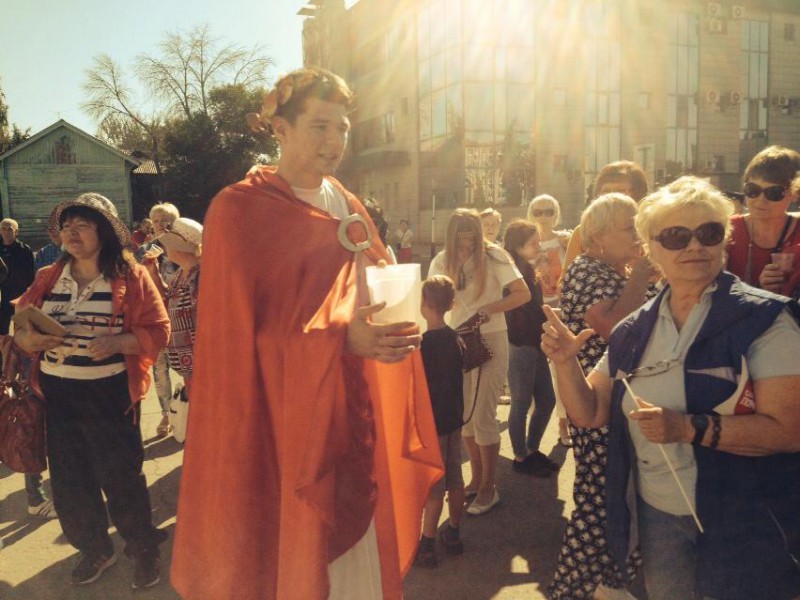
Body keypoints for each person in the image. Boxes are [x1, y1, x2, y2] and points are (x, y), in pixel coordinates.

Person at [171, 67, 441, 600]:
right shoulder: (238, 210)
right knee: (298, 551)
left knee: (357, 551)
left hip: (351, 405)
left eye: (342, 128)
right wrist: (340, 340)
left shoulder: (346, 203)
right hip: (283, 422)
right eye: (319, 126)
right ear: (280, 128)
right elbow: (238, 341)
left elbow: (372, 283)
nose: (334, 141)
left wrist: (400, 316)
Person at [542, 176, 800, 600]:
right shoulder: (633, 330)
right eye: (677, 236)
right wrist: (565, 362)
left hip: (746, 517)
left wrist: (686, 428)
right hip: (657, 515)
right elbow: (589, 413)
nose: (694, 246)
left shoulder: (765, 320)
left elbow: (789, 431)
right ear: (651, 248)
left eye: (708, 233)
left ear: (724, 239)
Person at [13, 192, 170, 589]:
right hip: (57, 394)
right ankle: (96, 548)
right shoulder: (49, 276)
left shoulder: (131, 276)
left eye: (82, 225)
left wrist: (119, 343)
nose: (72, 233)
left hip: (109, 394)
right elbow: (21, 327)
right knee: (70, 479)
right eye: (67, 227)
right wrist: (30, 341)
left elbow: (159, 330)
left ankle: (143, 548)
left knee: (121, 478)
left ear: (104, 232)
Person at [548, 193, 658, 600]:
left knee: (626, 500)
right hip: (598, 402)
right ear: (597, 238)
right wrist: (641, 276)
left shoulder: (616, 270)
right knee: (598, 504)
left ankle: (611, 584)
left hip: (626, 403)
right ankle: (573, 590)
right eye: (630, 228)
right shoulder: (585, 270)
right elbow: (613, 329)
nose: (638, 236)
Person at [429, 208, 529, 515]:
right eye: (461, 240)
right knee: (466, 418)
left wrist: (490, 309)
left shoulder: (495, 256)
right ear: (451, 237)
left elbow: (522, 294)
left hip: (491, 339)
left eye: (471, 238)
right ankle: (475, 479)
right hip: (457, 340)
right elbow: (431, 301)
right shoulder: (441, 260)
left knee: (484, 416)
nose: (466, 245)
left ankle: (489, 487)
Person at [415, 274, 466, 568]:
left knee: (435, 483)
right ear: (451, 304)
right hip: (454, 418)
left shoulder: (423, 346)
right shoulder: (455, 338)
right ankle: (454, 533)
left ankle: (427, 543)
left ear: (423, 303)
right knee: (455, 476)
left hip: (433, 422)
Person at [502, 219, 558, 477]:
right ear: (518, 246)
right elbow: (518, 313)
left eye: (538, 242)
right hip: (521, 344)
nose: (538, 247)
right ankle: (521, 456)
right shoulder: (512, 273)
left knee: (546, 400)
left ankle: (531, 449)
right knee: (521, 403)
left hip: (535, 343)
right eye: (533, 243)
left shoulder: (527, 268)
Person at [727, 145, 800, 296]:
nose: (761, 200)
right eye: (752, 190)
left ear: (794, 194)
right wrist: (759, 289)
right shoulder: (727, 230)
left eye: (774, 192)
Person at [157, 217, 201, 439]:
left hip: (200, 362)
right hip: (186, 363)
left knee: (202, 416)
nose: (165, 248)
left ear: (180, 247)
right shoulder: (180, 273)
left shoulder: (201, 274)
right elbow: (167, 301)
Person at [138, 202, 179, 438]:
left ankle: (189, 411)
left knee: (189, 368)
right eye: (156, 221)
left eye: (166, 220)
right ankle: (167, 414)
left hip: (182, 317)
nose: (160, 224)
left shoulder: (184, 247)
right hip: (155, 319)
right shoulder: (143, 251)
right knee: (160, 369)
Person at [562, 160, 649, 273]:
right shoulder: (585, 232)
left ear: (638, 194)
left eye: (620, 191)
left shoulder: (653, 231)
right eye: (606, 191)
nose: (612, 196)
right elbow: (567, 279)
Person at [526, 195, 571, 307]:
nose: (543, 216)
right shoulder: (524, 243)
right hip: (534, 303)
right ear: (531, 215)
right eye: (538, 212)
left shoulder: (565, 240)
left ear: (556, 214)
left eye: (549, 212)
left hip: (562, 301)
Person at [0, 218, 35, 335]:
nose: (6, 232)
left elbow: (31, 274)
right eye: (3, 229)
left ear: (16, 232)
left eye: (9, 229)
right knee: (2, 329)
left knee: (22, 328)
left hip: (20, 294)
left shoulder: (25, 250)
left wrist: (30, 293)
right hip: (3, 294)